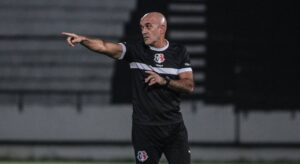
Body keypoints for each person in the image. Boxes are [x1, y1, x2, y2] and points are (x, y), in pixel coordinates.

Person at [62, 12, 194, 164]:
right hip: (145, 130)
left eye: (148, 26)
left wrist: (165, 81)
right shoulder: (135, 50)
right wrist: (84, 40)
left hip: (174, 129)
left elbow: (189, 86)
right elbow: (104, 46)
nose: (144, 31)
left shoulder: (179, 52)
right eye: (142, 27)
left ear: (162, 28)